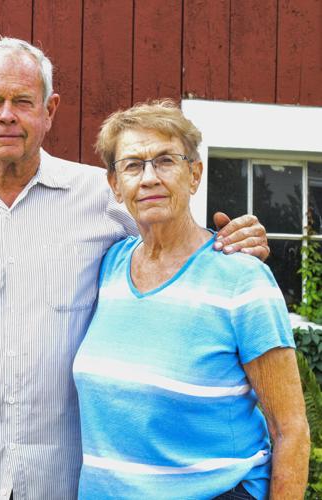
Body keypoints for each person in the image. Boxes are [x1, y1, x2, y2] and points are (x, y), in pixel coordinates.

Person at [0, 38, 269, 500]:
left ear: (49, 109)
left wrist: (234, 242)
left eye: (23, 101)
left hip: (75, 481)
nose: (7, 116)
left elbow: (177, 251)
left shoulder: (104, 200)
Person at [72, 100, 309, 499]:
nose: (149, 178)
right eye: (132, 165)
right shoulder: (109, 265)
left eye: (165, 161)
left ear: (194, 173)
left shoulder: (241, 278)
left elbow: (290, 429)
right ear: (114, 185)